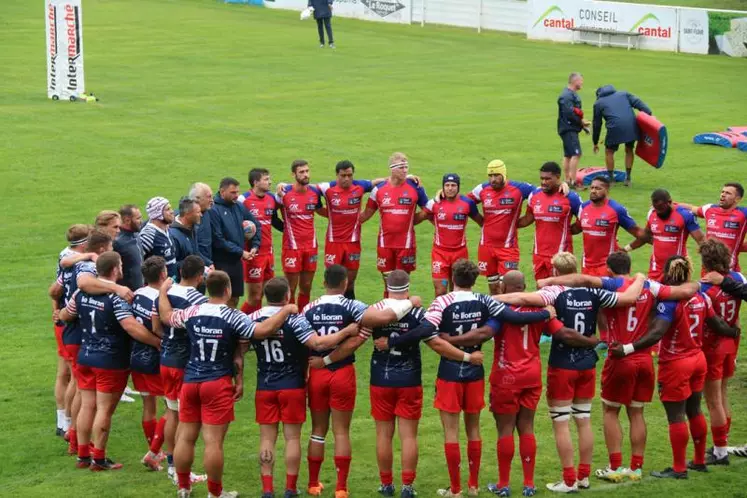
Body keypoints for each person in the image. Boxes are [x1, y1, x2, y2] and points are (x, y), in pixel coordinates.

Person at [324, 269, 487, 498]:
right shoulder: (419, 313)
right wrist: (467, 357)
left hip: (381, 378)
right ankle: (408, 487)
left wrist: (327, 360)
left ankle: (387, 484)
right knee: (408, 435)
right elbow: (437, 344)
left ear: (387, 287)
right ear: (407, 288)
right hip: (409, 379)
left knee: (383, 434)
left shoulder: (376, 310)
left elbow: (355, 343)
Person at [537, 252, 697, 483]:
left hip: (620, 356)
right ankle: (636, 468)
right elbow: (685, 291)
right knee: (637, 412)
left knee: (611, 411)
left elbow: (582, 279)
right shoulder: (650, 286)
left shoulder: (613, 284)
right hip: (644, 358)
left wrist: (549, 281)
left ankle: (615, 467)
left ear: (609, 270)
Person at [401, 260, 554, 498]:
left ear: (453, 277)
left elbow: (427, 331)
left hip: (453, 371)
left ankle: (456, 490)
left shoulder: (443, 301)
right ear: (475, 280)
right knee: (475, 429)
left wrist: (397, 341)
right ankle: (474, 486)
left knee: (451, 432)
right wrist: (545, 312)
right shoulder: (485, 301)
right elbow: (512, 319)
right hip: (480, 371)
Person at [496, 252, 646, 493]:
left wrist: (489, 298)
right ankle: (584, 477)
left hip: (563, 364)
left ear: (555, 272)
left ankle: (568, 481)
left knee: (561, 423)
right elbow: (628, 298)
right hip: (587, 364)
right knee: (584, 420)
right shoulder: (594, 293)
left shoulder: (553, 293)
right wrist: (640, 278)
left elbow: (520, 297)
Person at [158, 271, 298, 498]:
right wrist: (286, 311)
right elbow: (262, 331)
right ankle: (215, 493)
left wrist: (163, 292)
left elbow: (166, 316)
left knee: (185, 437)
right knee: (213, 442)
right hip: (217, 382)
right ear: (227, 290)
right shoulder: (232, 316)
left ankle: (183, 487)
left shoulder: (193, 311)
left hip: (191, 380)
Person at [609, 256, 739, 479]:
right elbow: (716, 323)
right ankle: (699, 460)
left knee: (676, 416)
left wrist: (628, 348)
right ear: (688, 273)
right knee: (695, 409)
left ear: (668, 273)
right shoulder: (700, 296)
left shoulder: (669, 301)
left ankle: (679, 469)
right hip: (698, 359)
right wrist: (732, 332)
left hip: (676, 363)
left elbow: (657, 333)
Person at [298, 264, 420, 497]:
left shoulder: (308, 308)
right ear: (345, 283)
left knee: (317, 430)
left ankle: (313, 484)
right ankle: (341, 488)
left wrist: (317, 363)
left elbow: (304, 341)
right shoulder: (353, 306)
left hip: (317, 373)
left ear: (323, 282)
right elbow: (381, 319)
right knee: (341, 432)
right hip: (342, 372)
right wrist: (410, 302)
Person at [478, 270, 600, 498]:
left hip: (506, 376)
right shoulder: (540, 311)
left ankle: (504, 484)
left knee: (505, 430)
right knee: (527, 428)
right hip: (532, 376)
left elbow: (486, 333)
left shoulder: (499, 310)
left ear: (503, 289)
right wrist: (592, 340)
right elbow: (562, 332)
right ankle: (529, 484)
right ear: (525, 287)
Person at [247, 277, 360, 498]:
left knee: (267, 439)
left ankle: (268, 490)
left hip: (265, 386)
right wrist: (346, 332)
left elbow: (240, 343)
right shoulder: (296, 321)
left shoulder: (253, 319)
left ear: (266, 297)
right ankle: (290, 488)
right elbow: (319, 344)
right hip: (292, 386)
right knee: (291, 439)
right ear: (288, 295)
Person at [59, 251, 161, 470]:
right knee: (104, 410)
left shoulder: (81, 293)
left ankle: (83, 455)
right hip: (111, 362)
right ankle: (98, 459)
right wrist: (157, 342)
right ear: (115, 269)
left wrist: (58, 314)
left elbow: (66, 315)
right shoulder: (117, 297)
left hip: (85, 356)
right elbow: (131, 327)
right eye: (121, 264)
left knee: (87, 406)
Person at [156, 254, 209, 484]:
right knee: (185, 420)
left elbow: (157, 321)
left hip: (166, 359)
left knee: (171, 413)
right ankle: (180, 472)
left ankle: (171, 465)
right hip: (184, 362)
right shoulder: (199, 301)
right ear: (199, 277)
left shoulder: (168, 292)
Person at [697, 239, 745, 465]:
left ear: (705, 262)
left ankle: (720, 451)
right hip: (731, 342)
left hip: (712, 346)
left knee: (713, 399)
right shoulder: (737, 279)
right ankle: (722, 443)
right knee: (723, 393)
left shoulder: (705, 288)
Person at [360, 152, 428, 296]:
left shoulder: (415, 187)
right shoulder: (378, 190)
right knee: (388, 285)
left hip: (406, 245)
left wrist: (410, 220)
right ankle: (388, 316)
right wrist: (342, 218)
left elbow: (427, 210)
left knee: (403, 285)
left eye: (406, 167)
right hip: (385, 244)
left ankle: (404, 316)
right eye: (401, 167)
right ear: (392, 168)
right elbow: (366, 214)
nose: (405, 170)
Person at [317, 160, 385, 300]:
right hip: (333, 242)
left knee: (350, 281)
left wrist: (407, 178)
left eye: (349, 175)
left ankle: (350, 309)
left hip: (353, 243)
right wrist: (283, 186)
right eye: (343, 175)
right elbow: (307, 189)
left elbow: (382, 181)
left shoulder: (360, 186)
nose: (346, 178)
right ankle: (332, 310)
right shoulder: (327, 188)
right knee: (333, 281)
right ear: (337, 175)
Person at [50, 224, 94, 437]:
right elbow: (56, 288)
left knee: (67, 373)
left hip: (63, 317)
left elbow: (54, 290)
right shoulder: (71, 259)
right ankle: (66, 423)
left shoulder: (71, 257)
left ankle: (64, 422)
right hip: (69, 320)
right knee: (72, 376)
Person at [468, 160, 535, 294]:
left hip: (508, 248)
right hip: (486, 247)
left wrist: (526, 218)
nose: (493, 179)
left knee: (508, 287)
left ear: (504, 174)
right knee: (493, 287)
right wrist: (480, 220)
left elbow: (540, 194)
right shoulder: (482, 189)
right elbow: (465, 203)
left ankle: (512, 313)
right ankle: (497, 314)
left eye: (496, 175)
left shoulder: (519, 189)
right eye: (490, 176)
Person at [133, 256, 169, 471]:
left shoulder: (137, 294)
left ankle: (155, 450)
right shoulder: (160, 299)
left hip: (137, 357)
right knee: (172, 408)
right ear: (163, 274)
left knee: (148, 405)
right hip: (155, 358)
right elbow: (158, 327)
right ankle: (154, 452)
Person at [518, 162, 581, 282]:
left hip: (561, 257)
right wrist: (505, 224)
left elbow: (584, 220)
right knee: (541, 292)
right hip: (539, 255)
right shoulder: (535, 195)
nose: (543, 182)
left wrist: (569, 230)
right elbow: (527, 219)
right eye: (542, 178)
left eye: (548, 179)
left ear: (558, 177)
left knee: (561, 292)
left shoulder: (570, 197)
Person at [623, 189, 705, 282]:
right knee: (652, 294)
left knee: (675, 295)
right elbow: (645, 237)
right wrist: (626, 249)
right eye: (656, 208)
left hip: (676, 268)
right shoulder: (652, 213)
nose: (659, 212)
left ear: (669, 202)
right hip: (655, 267)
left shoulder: (685, 215)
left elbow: (701, 239)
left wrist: (711, 262)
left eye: (661, 208)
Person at [423, 173, 482, 296]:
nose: (450, 188)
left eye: (453, 185)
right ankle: (439, 314)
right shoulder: (435, 203)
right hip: (440, 253)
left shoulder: (467, 203)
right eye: (447, 185)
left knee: (458, 290)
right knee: (441, 291)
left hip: (460, 253)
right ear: (443, 187)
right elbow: (417, 219)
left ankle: (454, 314)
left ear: (458, 187)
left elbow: (482, 222)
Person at [277, 160, 324, 310]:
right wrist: (284, 228)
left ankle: (303, 317)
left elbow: (321, 210)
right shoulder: (284, 193)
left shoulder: (315, 192)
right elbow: (270, 212)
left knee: (307, 286)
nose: (305, 175)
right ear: (293, 174)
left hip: (311, 247)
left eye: (307, 171)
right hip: (292, 247)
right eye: (301, 172)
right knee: (290, 287)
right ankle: (289, 318)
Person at [211, 177, 260, 309]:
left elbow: (255, 224)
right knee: (221, 299)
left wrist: (255, 245)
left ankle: (230, 326)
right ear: (222, 192)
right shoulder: (214, 210)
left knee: (235, 297)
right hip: (221, 262)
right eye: (233, 192)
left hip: (236, 261)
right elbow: (218, 240)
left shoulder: (238, 206)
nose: (236, 195)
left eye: (237, 192)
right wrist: (241, 252)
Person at [576, 176, 642, 276]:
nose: (593, 191)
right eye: (592, 187)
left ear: (607, 190)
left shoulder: (616, 209)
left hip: (608, 266)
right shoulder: (583, 207)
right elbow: (575, 228)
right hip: (586, 265)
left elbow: (640, 234)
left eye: (598, 188)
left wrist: (626, 249)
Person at [240, 168, 284, 315]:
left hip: (268, 253)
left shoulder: (271, 199)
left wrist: (290, 230)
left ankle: (256, 324)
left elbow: (275, 220)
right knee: (254, 297)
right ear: (255, 182)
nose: (270, 181)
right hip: (254, 255)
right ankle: (241, 324)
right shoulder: (243, 200)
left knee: (265, 293)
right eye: (266, 179)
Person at [676, 182, 747, 272]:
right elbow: (692, 208)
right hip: (707, 270)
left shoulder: (743, 214)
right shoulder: (709, 209)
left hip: (730, 271)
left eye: (728, 193)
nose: (723, 195)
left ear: (737, 199)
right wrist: (670, 204)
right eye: (722, 192)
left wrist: (739, 246)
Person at [591, 85, 652, 186]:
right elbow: (639, 104)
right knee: (629, 149)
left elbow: (597, 124)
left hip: (615, 128)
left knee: (609, 152)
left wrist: (595, 142)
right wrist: (649, 115)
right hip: (632, 125)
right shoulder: (624, 94)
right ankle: (628, 178)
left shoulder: (598, 103)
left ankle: (611, 180)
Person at [557, 72, 590, 189]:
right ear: (575, 81)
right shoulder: (566, 96)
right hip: (568, 128)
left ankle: (567, 181)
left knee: (568, 155)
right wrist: (581, 122)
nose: (582, 83)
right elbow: (569, 114)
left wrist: (582, 124)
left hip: (568, 128)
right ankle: (573, 182)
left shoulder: (570, 95)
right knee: (576, 154)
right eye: (581, 81)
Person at [141, 196, 178, 279]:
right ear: (158, 213)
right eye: (167, 209)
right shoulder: (148, 235)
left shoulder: (166, 229)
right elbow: (138, 261)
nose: (172, 211)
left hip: (171, 283)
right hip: (157, 287)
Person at [170, 196, 203, 276]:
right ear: (187, 214)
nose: (201, 215)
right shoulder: (173, 235)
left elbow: (195, 252)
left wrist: (208, 264)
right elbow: (172, 264)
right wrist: (193, 266)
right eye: (198, 212)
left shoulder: (192, 228)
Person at [114, 204, 144, 291]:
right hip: (127, 295)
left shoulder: (136, 234)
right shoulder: (117, 242)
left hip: (140, 291)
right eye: (138, 218)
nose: (141, 221)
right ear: (127, 220)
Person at [190, 182, 216, 272]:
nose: (212, 200)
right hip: (194, 267)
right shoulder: (186, 218)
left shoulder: (207, 212)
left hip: (205, 266)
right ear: (197, 199)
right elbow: (192, 248)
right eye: (209, 197)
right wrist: (208, 263)